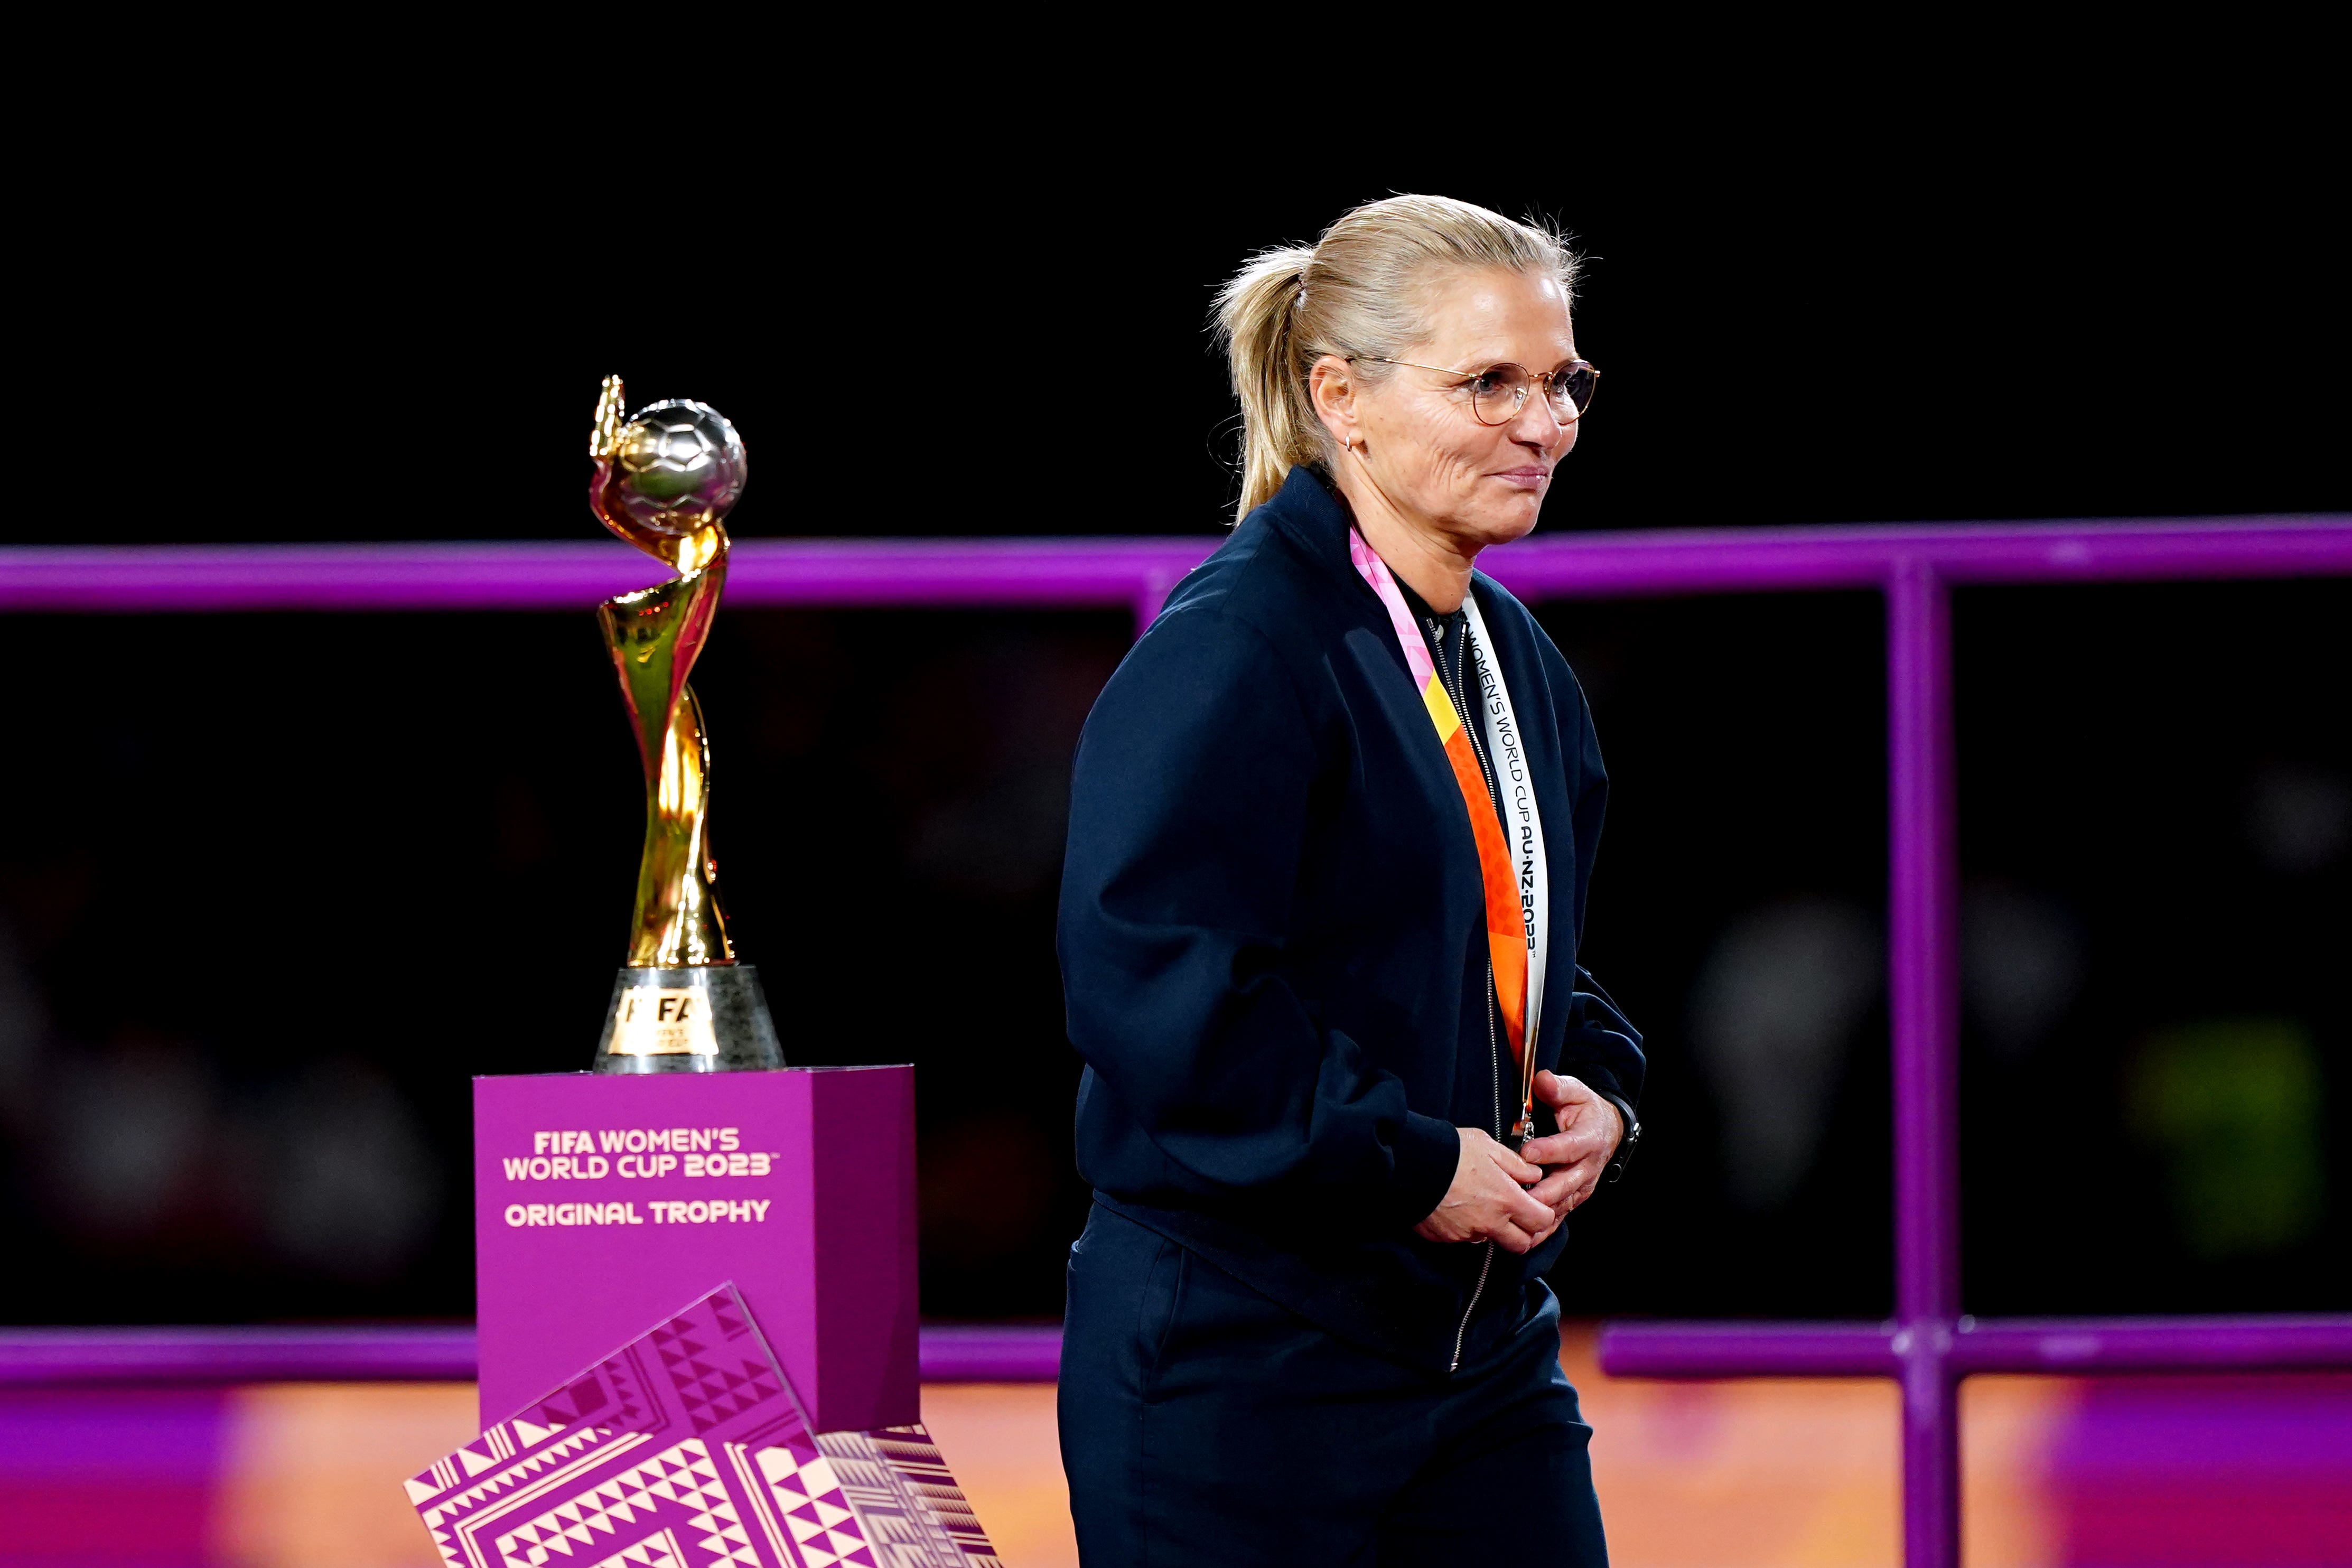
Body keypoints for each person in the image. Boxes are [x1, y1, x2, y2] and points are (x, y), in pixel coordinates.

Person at [1054, 193, 1644, 1565]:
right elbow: (1154, 982)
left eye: (1561, 382)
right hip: (1237, 1359)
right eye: (1487, 383)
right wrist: (1404, 1164)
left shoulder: (1511, 659)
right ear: (1342, 398)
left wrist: (1603, 1089)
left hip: (1478, 1357)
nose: (1542, 423)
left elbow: (1521, 940)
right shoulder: (1242, 645)